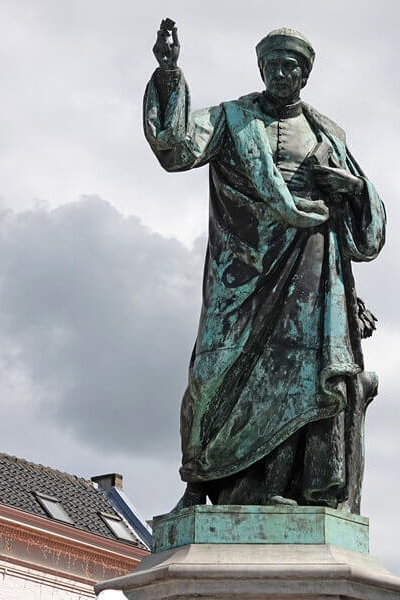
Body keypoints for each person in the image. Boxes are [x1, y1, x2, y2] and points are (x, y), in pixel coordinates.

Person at [144, 20, 385, 513]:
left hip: (312, 260)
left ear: (304, 76)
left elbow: (364, 218)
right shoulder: (234, 119)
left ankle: (279, 487)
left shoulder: (328, 134)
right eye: (272, 65)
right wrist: (169, 75)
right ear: (261, 69)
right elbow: (177, 148)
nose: (281, 73)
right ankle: (199, 483)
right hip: (241, 265)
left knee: (300, 373)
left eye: (290, 67)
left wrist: (352, 189)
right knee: (213, 371)